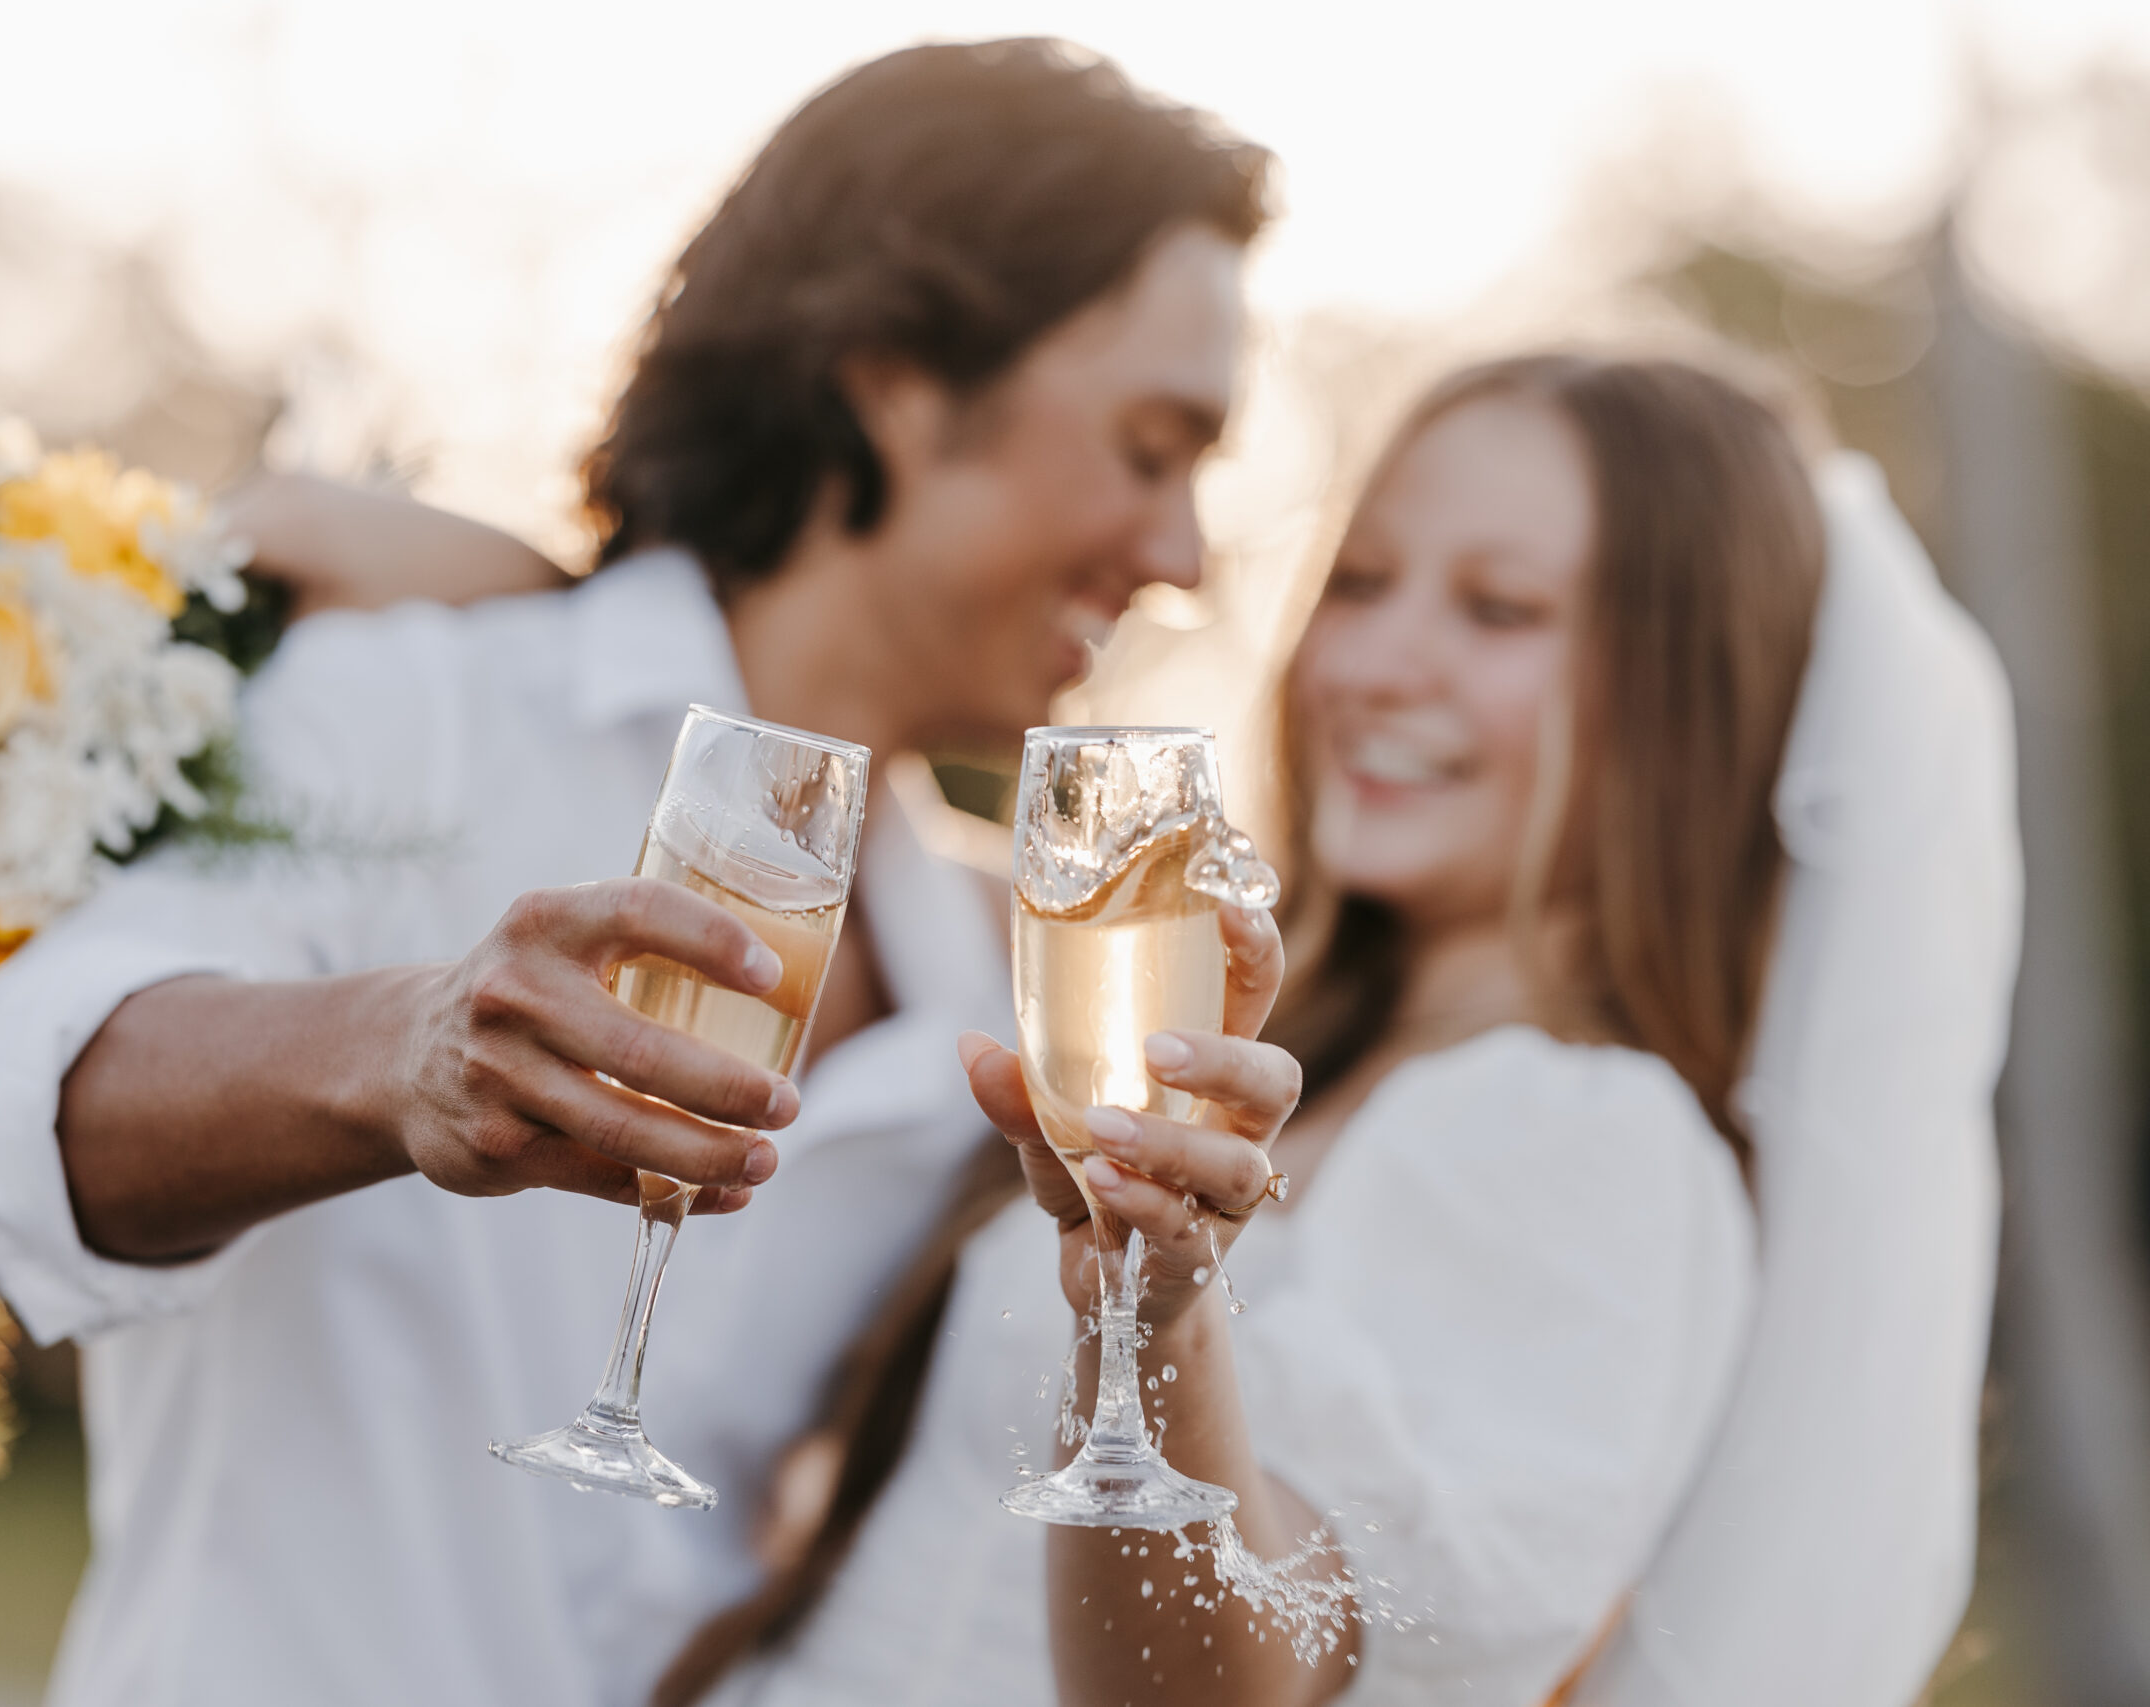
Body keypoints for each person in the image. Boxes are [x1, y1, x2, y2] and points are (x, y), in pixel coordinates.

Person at [0, 39, 1275, 1707]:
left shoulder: (1004, 983)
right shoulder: (413, 714)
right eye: (1150, 446)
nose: (1185, 556)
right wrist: (395, 1053)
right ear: (900, 374)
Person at [647, 350, 2009, 1707]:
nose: (1373, 662)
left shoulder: (1586, 1149)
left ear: (1688, 701)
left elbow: (1243, 1678)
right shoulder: (1255, 1044)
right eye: (1360, 584)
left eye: (1498, 609)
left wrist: (1160, 1321)